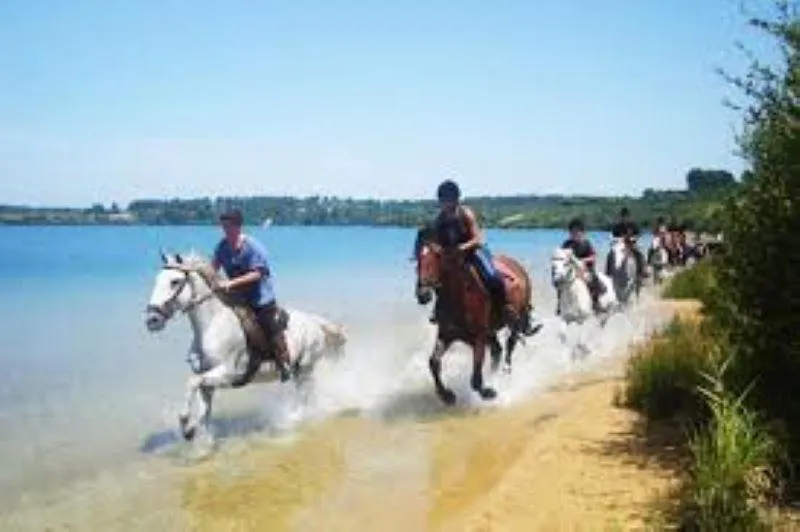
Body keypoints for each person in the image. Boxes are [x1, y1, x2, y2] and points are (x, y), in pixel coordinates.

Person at [210, 208, 292, 382]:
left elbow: (258, 274)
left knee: (270, 327)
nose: (225, 230)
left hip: (260, 298)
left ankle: (284, 362)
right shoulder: (222, 246)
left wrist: (230, 283)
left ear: (238, 227)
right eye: (223, 226)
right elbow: (213, 269)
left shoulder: (253, 247)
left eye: (228, 226)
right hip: (237, 298)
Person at [430, 179, 517, 327]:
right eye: (443, 201)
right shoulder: (440, 220)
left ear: (456, 199)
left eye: (448, 200)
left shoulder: (466, 214)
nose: (445, 204)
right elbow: (437, 242)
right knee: (437, 280)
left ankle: (505, 307)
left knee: (492, 277)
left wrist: (461, 248)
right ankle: (439, 311)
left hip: (474, 252)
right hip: (453, 257)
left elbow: (478, 239)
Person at [560, 217, 605, 313]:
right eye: (572, 232)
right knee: (561, 282)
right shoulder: (566, 244)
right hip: (571, 270)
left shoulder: (586, 243)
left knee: (593, 279)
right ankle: (560, 305)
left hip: (585, 269)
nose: (574, 234)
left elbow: (593, 256)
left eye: (577, 232)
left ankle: (596, 303)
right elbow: (562, 256)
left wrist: (583, 261)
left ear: (582, 232)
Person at [608, 207, 647, 279]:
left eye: (625, 217)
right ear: (621, 217)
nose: (624, 218)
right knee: (610, 254)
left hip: (631, 244)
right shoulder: (617, 226)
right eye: (623, 217)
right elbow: (613, 236)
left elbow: (639, 234)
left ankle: (642, 271)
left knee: (639, 254)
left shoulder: (633, 225)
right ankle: (608, 272)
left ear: (628, 216)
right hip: (620, 244)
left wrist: (634, 238)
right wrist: (615, 239)